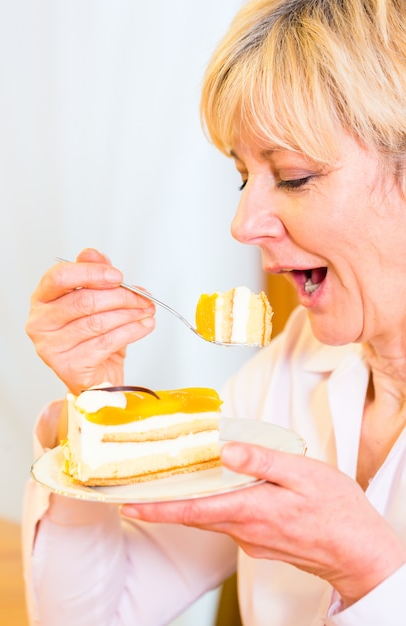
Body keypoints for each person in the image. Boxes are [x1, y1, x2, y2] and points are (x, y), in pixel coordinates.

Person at [23, 1, 406, 624]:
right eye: (242, 178)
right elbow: (94, 616)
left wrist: (371, 572)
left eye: (294, 176)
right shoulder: (287, 370)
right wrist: (98, 410)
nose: (243, 225)